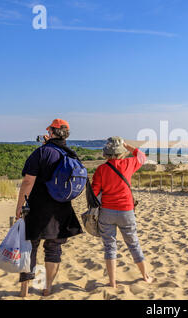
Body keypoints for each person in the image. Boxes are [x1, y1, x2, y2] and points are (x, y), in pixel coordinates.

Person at [16, 119, 83, 297]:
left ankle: (25, 291)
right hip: (61, 209)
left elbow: (28, 181)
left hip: (37, 209)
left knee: (29, 248)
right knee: (54, 249)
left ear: (52, 132)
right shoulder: (71, 154)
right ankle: (48, 288)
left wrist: (19, 205)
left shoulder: (42, 152)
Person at [91, 137, 153, 287]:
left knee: (110, 247)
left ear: (106, 153)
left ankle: (112, 282)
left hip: (106, 212)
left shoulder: (101, 169)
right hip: (126, 211)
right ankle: (145, 276)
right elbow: (142, 156)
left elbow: (94, 192)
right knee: (133, 244)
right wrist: (127, 145)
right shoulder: (128, 163)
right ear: (121, 152)